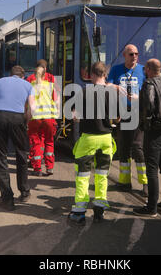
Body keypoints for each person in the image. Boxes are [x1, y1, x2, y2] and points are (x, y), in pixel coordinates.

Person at [68, 62, 117, 225]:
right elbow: (118, 118)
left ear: (91, 75)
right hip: (106, 139)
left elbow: (75, 116)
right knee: (102, 176)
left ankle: (79, 212)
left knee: (82, 175)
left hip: (88, 138)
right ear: (105, 75)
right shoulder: (112, 93)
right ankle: (99, 211)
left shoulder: (84, 92)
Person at [0, 65, 35, 211]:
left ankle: (7, 199)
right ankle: (25, 192)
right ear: (23, 76)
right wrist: (25, 123)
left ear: (10, 74)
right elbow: (31, 109)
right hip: (17, 118)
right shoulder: (28, 85)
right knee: (21, 154)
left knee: (0, 157)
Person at [133, 59, 161, 217]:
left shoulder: (149, 84)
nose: (144, 71)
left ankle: (151, 207)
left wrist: (145, 123)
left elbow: (149, 105)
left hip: (155, 131)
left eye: (145, 68)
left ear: (149, 69)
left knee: (151, 169)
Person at [107, 44, 148, 197]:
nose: (135, 56)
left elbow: (148, 90)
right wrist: (117, 88)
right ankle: (125, 182)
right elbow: (108, 84)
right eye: (131, 54)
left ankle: (145, 183)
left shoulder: (143, 70)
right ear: (124, 55)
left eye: (136, 54)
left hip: (138, 113)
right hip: (122, 113)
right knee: (124, 147)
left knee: (138, 147)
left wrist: (139, 98)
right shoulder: (116, 69)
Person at [26, 60, 59, 176]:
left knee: (36, 143)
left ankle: (37, 168)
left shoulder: (30, 80)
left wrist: (27, 115)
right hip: (49, 117)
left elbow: (27, 100)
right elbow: (56, 98)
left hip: (35, 118)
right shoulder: (51, 79)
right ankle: (49, 168)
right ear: (46, 68)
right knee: (49, 141)